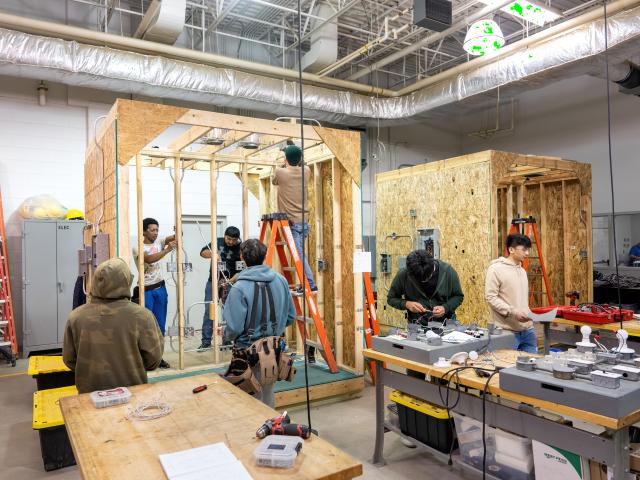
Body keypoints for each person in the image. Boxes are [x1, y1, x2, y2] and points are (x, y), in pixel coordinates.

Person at [62, 258, 164, 394]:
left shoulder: (76, 317)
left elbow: (69, 360)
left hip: (90, 398)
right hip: (132, 395)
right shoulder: (142, 316)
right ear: (126, 281)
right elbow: (153, 360)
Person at [222, 239, 296, 407]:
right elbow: (291, 316)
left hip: (247, 352)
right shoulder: (281, 281)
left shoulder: (239, 288)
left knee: (248, 398)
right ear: (264, 256)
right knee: (268, 393)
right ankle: (269, 429)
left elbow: (234, 328)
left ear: (242, 257)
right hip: (274, 349)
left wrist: (225, 334)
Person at [271, 144, 317, 294]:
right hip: (303, 223)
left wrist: (283, 159)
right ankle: (305, 284)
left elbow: (274, 181)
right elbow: (302, 163)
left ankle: (310, 285)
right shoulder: (307, 171)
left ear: (285, 159)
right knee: (299, 254)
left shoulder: (280, 172)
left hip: (292, 223)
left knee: (298, 256)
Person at [132, 217, 175, 368]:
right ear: (144, 231)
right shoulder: (138, 246)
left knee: (160, 326)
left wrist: (177, 230)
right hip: (146, 291)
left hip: (160, 289)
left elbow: (176, 236)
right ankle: (144, 359)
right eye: (152, 230)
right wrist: (167, 249)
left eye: (157, 230)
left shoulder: (159, 242)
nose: (156, 233)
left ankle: (158, 358)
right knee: (146, 327)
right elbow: (149, 259)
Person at [485, 233, 536, 353]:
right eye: (524, 249)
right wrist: (512, 312)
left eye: (528, 249)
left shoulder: (522, 271)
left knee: (531, 368)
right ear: (511, 249)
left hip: (528, 330)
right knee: (505, 369)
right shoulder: (496, 269)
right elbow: (491, 297)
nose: (527, 253)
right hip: (505, 331)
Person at [387, 249, 465, 326]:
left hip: (446, 326)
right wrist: (407, 304)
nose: (423, 282)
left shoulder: (448, 272)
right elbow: (391, 298)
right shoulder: (404, 274)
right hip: (417, 328)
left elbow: (458, 296)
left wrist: (445, 308)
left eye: (425, 279)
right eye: (418, 280)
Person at [198, 226, 242, 351]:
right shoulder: (217, 241)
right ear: (225, 236)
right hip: (213, 282)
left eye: (234, 240)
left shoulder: (241, 247)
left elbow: (241, 270)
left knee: (228, 312)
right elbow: (202, 252)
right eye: (228, 239)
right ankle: (206, 342)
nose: (231, 242)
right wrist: (213, 254)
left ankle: (227, 341)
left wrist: (229, 281)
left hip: (231, 283)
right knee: (209, 310)